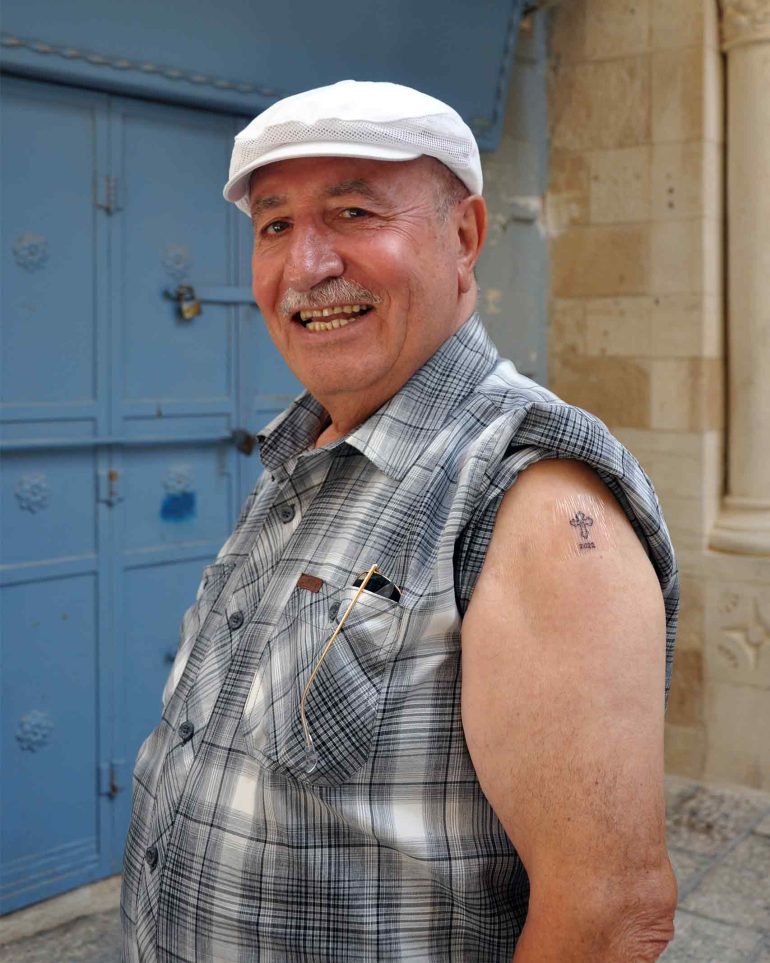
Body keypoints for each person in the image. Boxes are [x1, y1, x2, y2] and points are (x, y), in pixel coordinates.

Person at [122, 80, 679, 962]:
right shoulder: (305, 457)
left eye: (353, 212)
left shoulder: (532, 499)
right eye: (275, 225)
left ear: (465, 236)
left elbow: (609, 917)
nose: (306, 266)